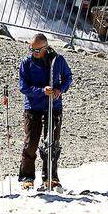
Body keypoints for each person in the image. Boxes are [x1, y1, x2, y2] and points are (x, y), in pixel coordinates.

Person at [18, 34, 73, 191]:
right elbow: (24, 87)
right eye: (31, 49)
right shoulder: (26, 63)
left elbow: (68, 77)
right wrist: (42, 91)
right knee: (31, 143)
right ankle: (27, 178)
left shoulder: (58, 60)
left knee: (52, 143)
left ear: (46, 47)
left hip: (53, 106)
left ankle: (50, 177)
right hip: (33, 106)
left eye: (37, 49)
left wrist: (60, 90)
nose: (34, 52)